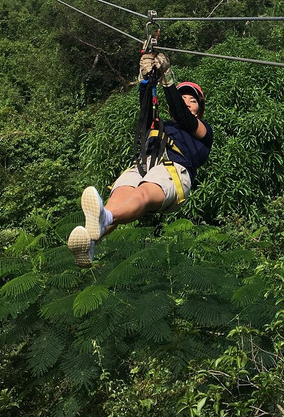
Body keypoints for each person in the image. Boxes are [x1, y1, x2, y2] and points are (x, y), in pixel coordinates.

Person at [67, 51, 213, 267]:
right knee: (118, 198)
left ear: (199, 110)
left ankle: (104, 221)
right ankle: (89, 242)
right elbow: (145, 109)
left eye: (193, 101)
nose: (187, 103)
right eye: (183, 98)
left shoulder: (202, 131)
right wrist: (145, 79)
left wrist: (168, 79)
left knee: (142, 192)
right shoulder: (160, 124)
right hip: (145, 165)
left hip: (173, 172)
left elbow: (183, 115)